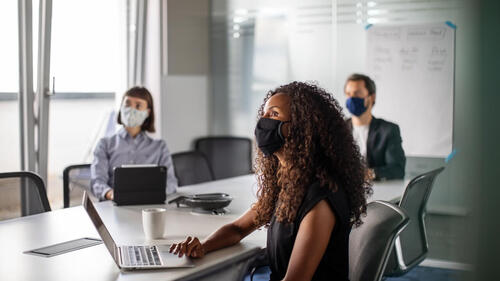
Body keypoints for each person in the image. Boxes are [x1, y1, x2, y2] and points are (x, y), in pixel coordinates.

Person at [170, 82, 371, 281]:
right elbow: (238, 229)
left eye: (274, 114)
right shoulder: (288, 182)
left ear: (302, 128)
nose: (263, 122)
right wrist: (203, 246)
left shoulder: (321, 197)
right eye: (264, 115)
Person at [90, 86, 178, 200]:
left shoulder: (159, 147)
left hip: (150, 206)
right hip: (113, 205)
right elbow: (97, 182)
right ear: (121, 107)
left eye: (138, 106)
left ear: (147, 112)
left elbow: (171, 183)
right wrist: (111, 194)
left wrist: (149, 194)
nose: (131, 109)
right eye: (127, 104)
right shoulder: (105, 144)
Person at [344, 73, 406, 180]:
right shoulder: (338, 129)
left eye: (357, 93)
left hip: (376, 191)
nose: (351, 98)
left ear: (371, 97)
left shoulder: (388, 130)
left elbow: (397, 169)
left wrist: (369, 174)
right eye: (348, 94)